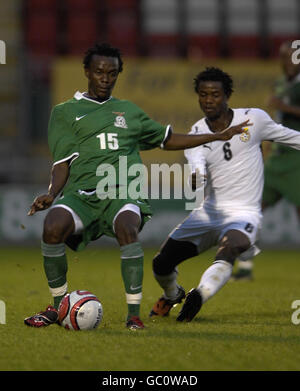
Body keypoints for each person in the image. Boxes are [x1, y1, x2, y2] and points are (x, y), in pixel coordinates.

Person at [24, 44, 247, 330]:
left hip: (123, 193)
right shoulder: (65, 112)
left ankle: (133, 316)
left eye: (112, 73)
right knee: (53, 226)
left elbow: (167, 140)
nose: (105, 78)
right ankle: (58, 307)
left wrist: (216, 136)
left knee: (127, 226)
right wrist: (52, 194)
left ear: (118, 74)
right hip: (82, 194)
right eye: (99, 72)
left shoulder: (128, 112)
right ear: (87, 72)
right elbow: (62, 161)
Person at [149, 66, 300, 322]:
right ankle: (173, 294)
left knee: (231, 248)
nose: (208, 100)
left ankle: (200, 295)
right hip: (208, 213)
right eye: (203, 94)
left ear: (227, 95)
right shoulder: (196, 133)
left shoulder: (254, 120)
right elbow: (196, 164)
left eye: (215, 94)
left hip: (245, 213)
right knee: (161, 264)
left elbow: (292, 137)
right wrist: (197, 175)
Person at [232, 40, 300, 281]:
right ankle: (244, 268)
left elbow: (286, 111)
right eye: (285, 56)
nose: (289, 61)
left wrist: (284, 107)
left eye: (293, 56)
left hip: (297, 160)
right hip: (277, 159)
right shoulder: (282, 83)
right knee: (252, 209)